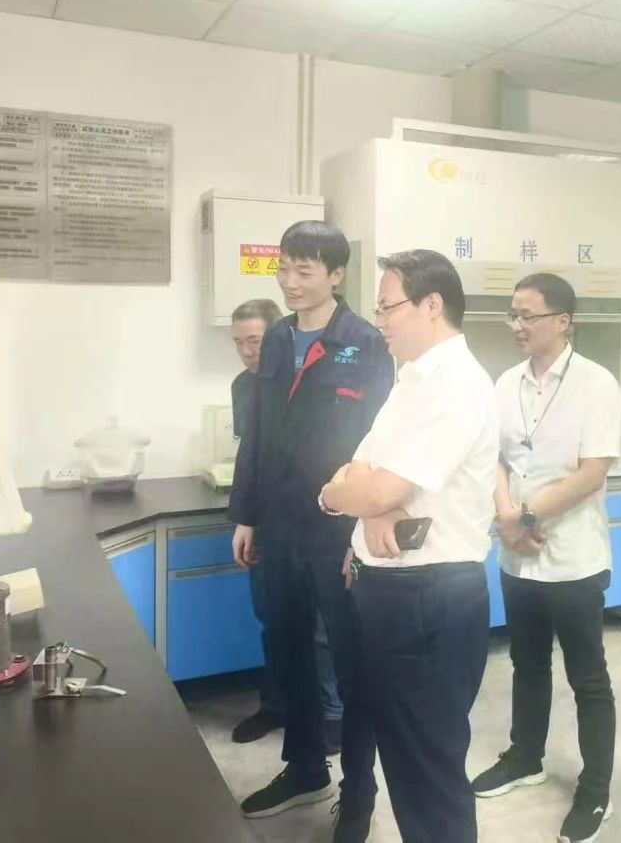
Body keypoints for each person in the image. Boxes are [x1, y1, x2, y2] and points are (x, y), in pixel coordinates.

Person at [319, 250, 498, 843]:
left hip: (429, 595)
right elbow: (359, 465)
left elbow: (373, 484)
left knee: (428, 769)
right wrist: (367, 499)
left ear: (432, 305)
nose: (380, 322)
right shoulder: (413, 380)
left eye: (388, 307)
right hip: (393, 591)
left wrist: (343, 496)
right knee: (406, 756)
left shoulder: (456, 385)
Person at [227, 222, 395, 841]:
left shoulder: (365, 343)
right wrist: (246, 515)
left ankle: (358, 793)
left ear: (336, 274)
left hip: (337, 530)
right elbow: (258, 434)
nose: (291, 282)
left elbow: (380, 442)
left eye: (305, 270)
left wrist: (366, 525)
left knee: (351, 663)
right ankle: (303, 769)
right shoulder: (276, 339)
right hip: (278, 524)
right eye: (284, 269)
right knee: (289, 650)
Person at [469, 273, 621, 843]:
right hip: (518, 558)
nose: (518, 324)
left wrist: (523, 517)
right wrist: (507, 517)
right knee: (527, 664)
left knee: (588, 678)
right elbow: (495, 458)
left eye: (528, 314)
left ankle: (596, 789)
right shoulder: (506, 382)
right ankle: (526, 757)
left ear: (563, 320)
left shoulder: (596, 384)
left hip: (573, 558)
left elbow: (592, 472)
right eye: (513, 314)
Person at [228, 298, 342, 752]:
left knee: (320, 627)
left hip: (317, 521)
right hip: (269, 522)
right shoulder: (244, 386)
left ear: (278, 338)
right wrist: (246, 518)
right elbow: (249, 456)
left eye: (255, 341)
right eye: (239, 343)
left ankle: (331, 713)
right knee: (272, 619)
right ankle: (275, 705)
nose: (247, 352)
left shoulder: (314, 381)